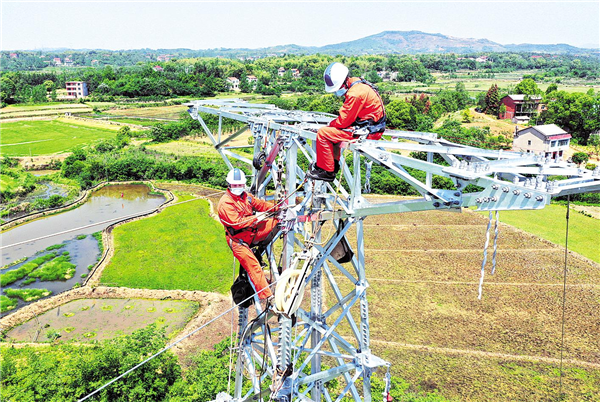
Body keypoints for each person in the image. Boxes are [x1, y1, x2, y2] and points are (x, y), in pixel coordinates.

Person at [307, 62, 386, 182]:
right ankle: (332, 164)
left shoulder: (355, 94)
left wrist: (330, 124)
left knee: (324, 133)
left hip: (368, 132)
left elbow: (343, 122)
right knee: (332, 133)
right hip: (370, 127)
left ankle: (327, 171)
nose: (337, 92)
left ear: (343, 83)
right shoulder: (357, 84)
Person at [217, 168, 279, 301]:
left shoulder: (246, 197)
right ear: (229, 185)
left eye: (240, 185)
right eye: (235, 185)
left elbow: (261, 205)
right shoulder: (225, 203)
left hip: (252, 233)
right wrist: (257, 218)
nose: (238, 187)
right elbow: (237, 223)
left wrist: (279, 208)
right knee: (254, 267)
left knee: (279, 220)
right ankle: (268, 296)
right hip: (238, 241)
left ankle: (261, 244)